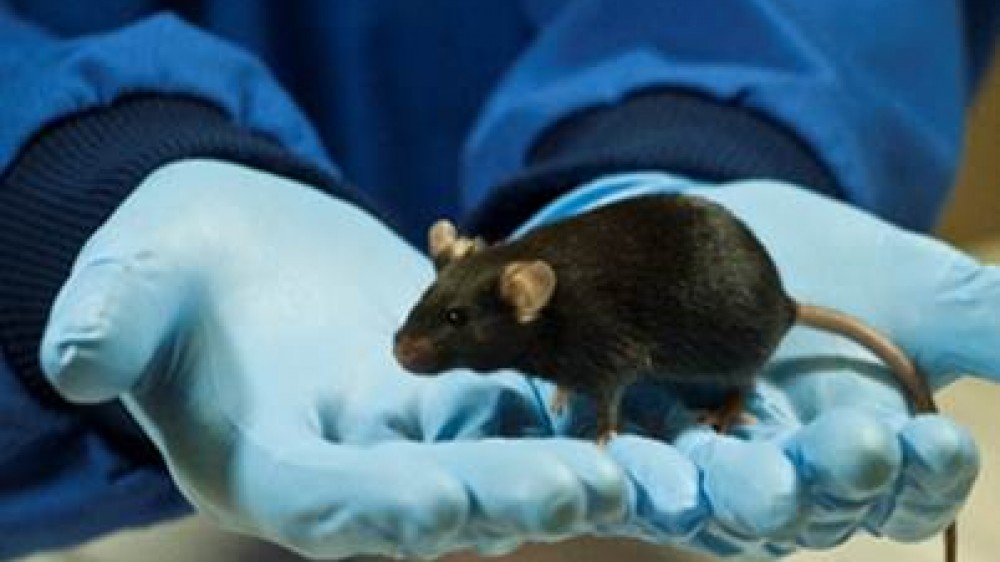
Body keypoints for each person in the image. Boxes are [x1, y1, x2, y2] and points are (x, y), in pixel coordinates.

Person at [1, 1, 998, 559]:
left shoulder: (562, 325)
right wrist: (57, 183)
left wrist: (722, 127)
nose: (416, 345)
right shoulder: (520, 302)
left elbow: (611, 357)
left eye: (441, 329)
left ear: (521, 298)